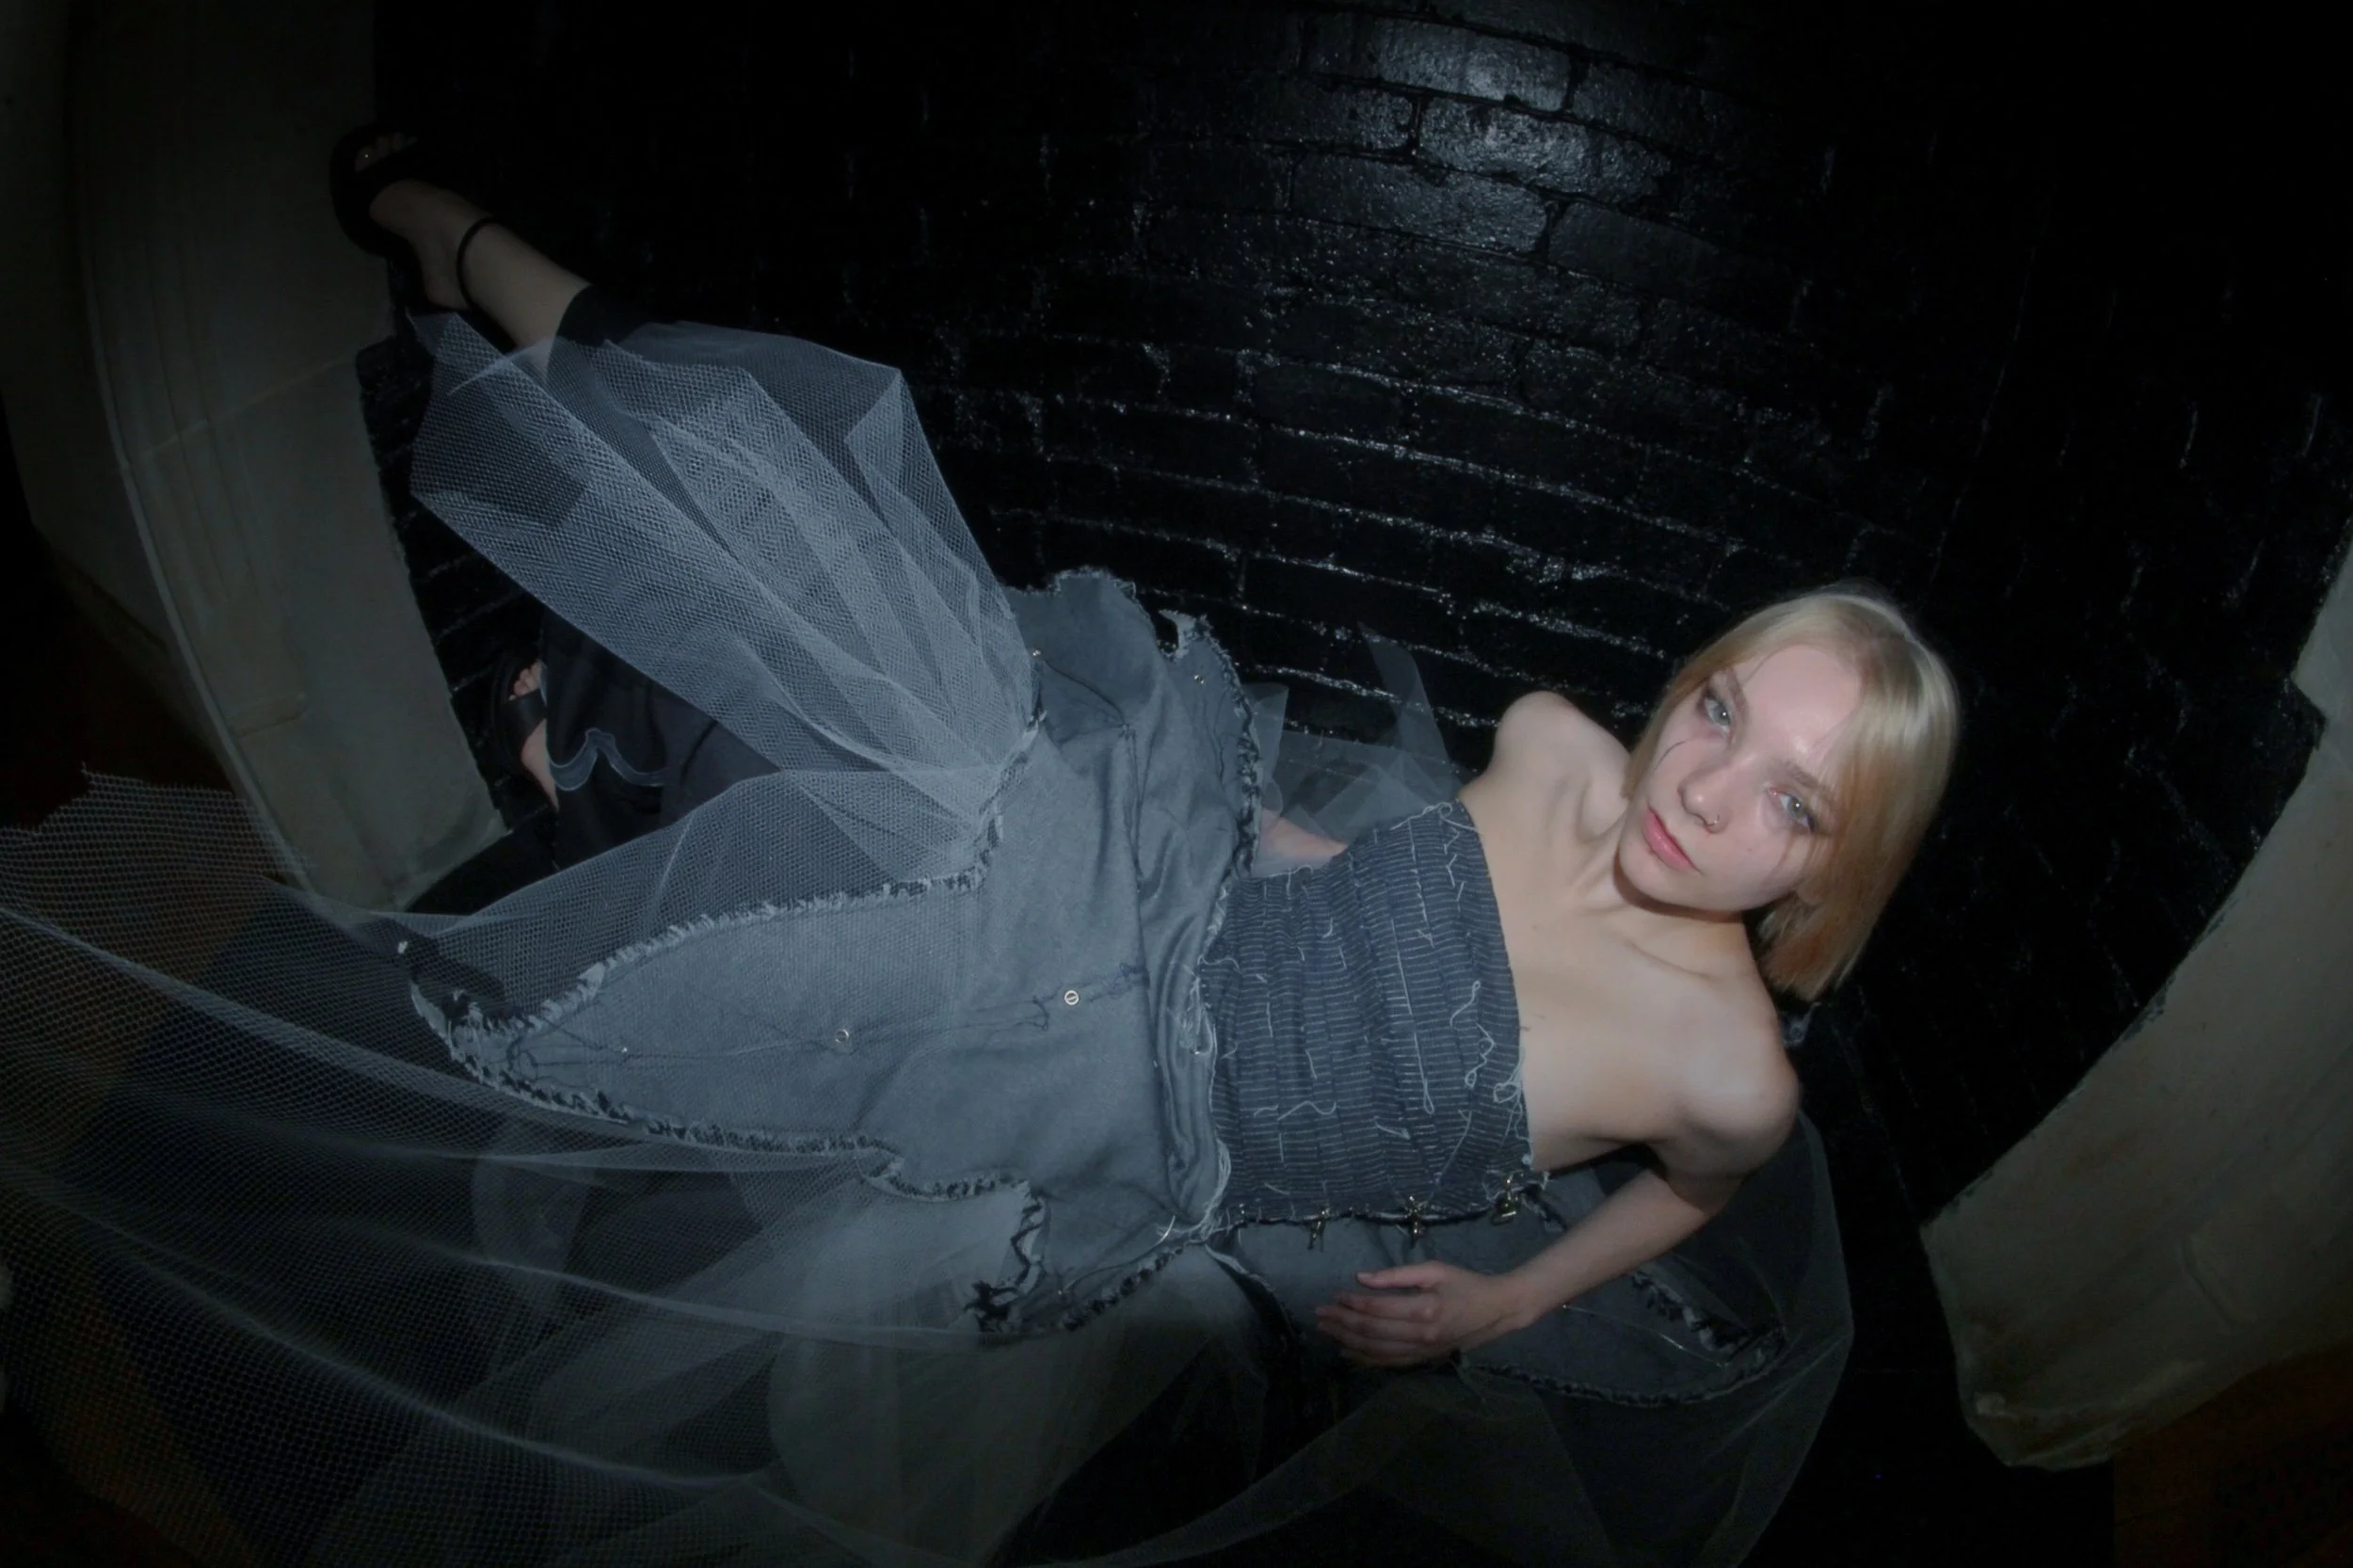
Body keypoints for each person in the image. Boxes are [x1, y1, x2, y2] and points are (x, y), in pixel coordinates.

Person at [0, 131, 1956, 1568]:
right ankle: (475, 252)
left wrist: (1508, 1302)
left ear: (1827, 866)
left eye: (1793, 799)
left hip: (1131, 1134)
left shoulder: (1726, 1071)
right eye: (1724, 710)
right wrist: (1268, 837)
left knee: (769, 1086)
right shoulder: (1551, 748)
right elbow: (1386, 880)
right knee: (803, 531)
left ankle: (589, 735)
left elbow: (1687, 1197)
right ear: (1687, 682)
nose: (1713, 789)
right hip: (1116, 871)